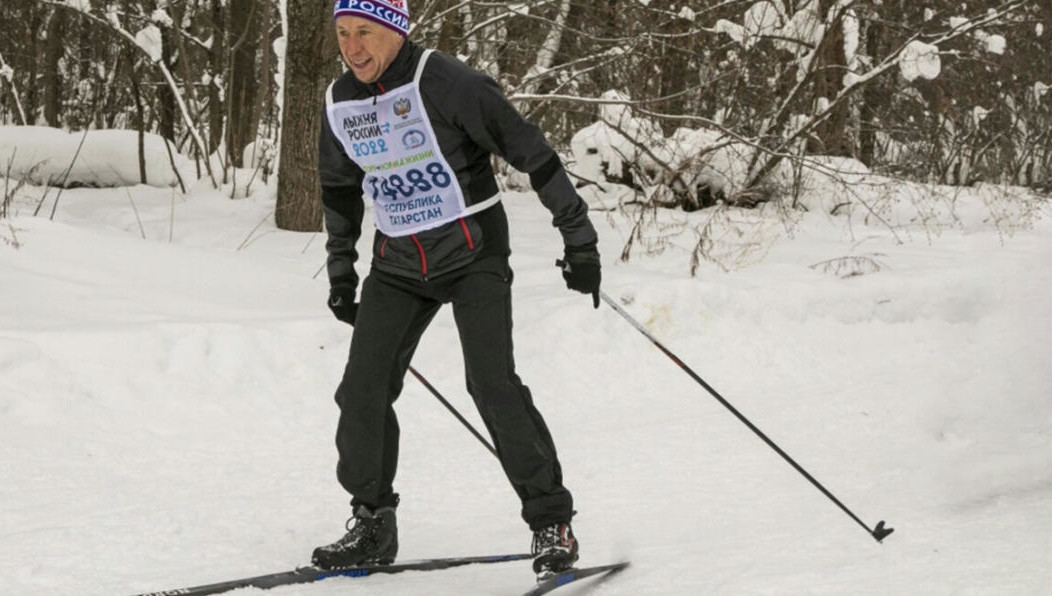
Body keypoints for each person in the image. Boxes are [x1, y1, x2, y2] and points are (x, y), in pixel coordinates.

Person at [311, 0, 602, 579]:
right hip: (397, 263)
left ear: (395, 30)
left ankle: (551, 522)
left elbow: (532, 153)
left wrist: (579, 238)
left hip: (472, 254)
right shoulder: (339, 102)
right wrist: (341, 272)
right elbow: (339, 188)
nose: (353, 48)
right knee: (361, 391)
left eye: (364, 32)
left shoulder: (448, 82)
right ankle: (372, 521)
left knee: (491, 384)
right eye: (343, 34)